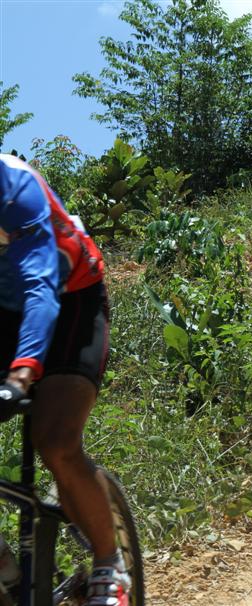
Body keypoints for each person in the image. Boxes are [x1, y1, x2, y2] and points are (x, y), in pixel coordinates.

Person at [0, 154, 130, 604]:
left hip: (70, 295)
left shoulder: (14, 185)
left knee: (55, 439)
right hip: (4, 308)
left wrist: (21, 376)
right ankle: (6, 568)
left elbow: (40, 285)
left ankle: (110, 565)